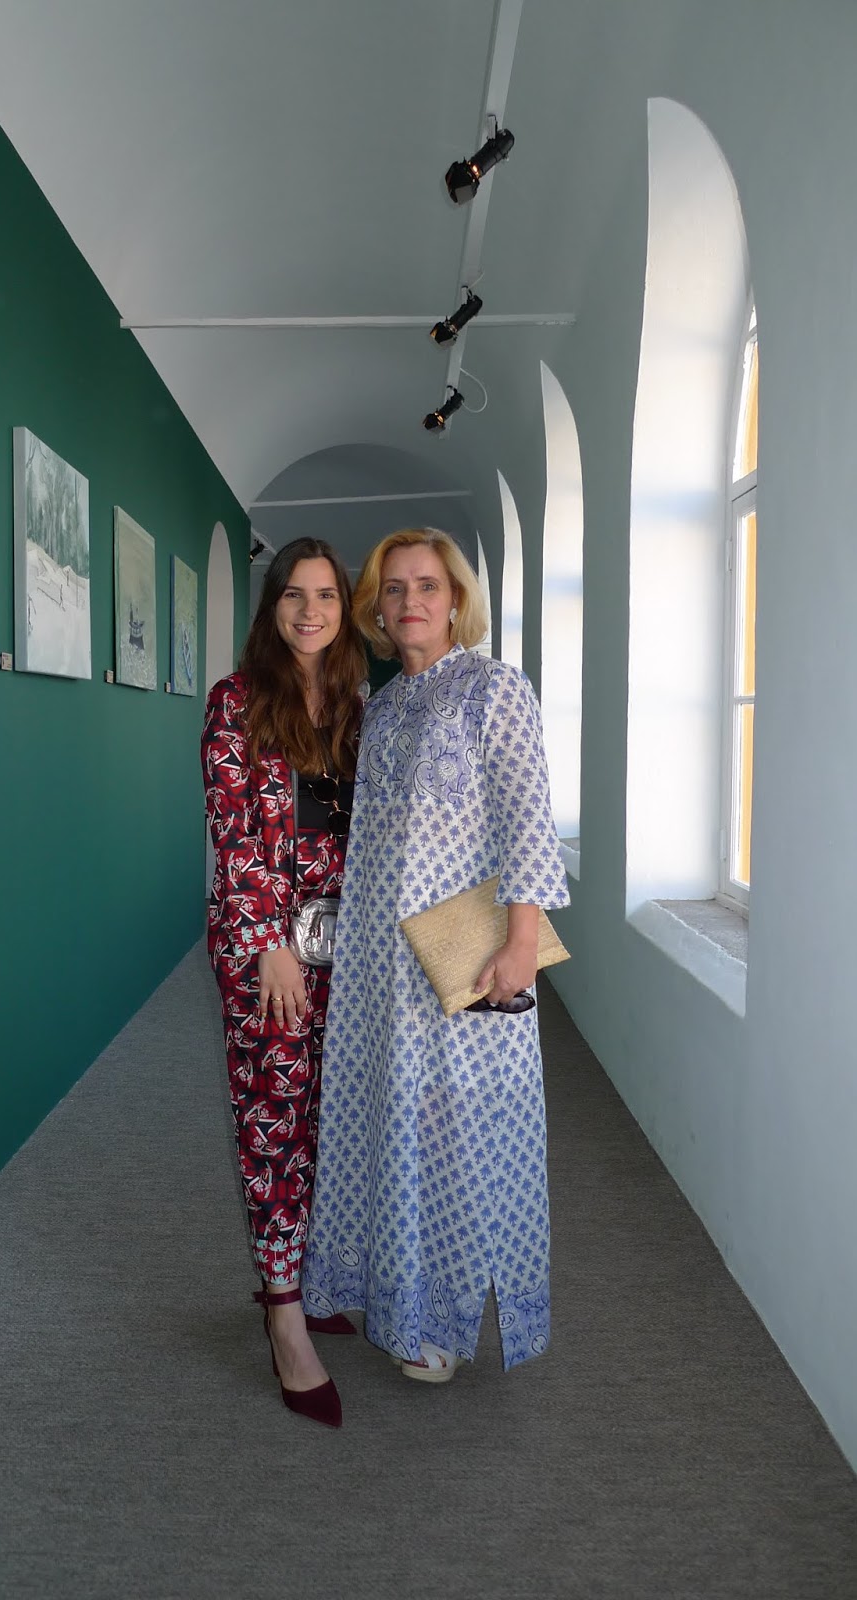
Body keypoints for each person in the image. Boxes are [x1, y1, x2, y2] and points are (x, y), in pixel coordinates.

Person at [302, 527, 570, 1383]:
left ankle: (442, 1323)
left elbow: (528, 820)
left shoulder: (495, 690)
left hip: (461, 960)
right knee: (387, 1118)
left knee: (457, 1131)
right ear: (377, 611)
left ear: (456, 601)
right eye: (393, 588)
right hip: (378, 963)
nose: (409, 600)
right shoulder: (380, 708)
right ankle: (394, 1298)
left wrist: (522, 942)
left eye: (427, 585)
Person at [201, 537, 366, 1428]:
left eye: (327, 595)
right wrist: (268, 942)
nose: (311, 611)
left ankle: (306, 1276)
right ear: (272, 607)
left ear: (346, 608)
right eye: (294, 595)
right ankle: (285, 1320)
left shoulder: (355, 705)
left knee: (330, 1119)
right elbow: (233, 831)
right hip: (267, 949)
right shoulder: (237, 701)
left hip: (349, 948)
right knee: (275, 1120)